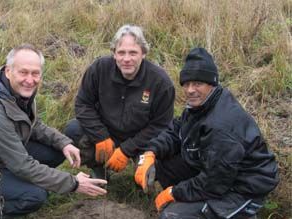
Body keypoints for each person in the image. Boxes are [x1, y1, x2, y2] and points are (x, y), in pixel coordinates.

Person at [0, 44, 107, 218]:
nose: (30, 80)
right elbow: (22, 165)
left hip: (2, 154)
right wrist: (73, 183)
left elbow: (34, 124)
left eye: (35, 73)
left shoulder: (18, 90)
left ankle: (13, 187)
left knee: (57, 151)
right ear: (8, 71)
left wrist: (63, 143)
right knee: (35, 195)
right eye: (23, 72)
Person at [142, 47, 279, 219]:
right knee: (162, 163)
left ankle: (241, 214)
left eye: (197, 83)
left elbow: (214, 182)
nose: (190, 89)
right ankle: (189, 203)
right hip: (215, 172)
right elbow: (176, 131)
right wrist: (150, 152)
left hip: (242, 187)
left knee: (172, 216)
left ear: (211, 84)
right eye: (186, 83)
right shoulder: (200, 105)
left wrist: (174, 192)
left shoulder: (221, 125)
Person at [64, 24, 175, 192]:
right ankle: (99, 169)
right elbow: (83, 104)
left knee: (164, 155)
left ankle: (142, 185)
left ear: (143, 53)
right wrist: (101, 136)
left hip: (141, 139)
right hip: (107, 132)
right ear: (114, 53)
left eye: (133, 53)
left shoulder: (161, 82)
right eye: (121, 52)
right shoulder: (99, 69)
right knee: (74, 129)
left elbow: (161, 125)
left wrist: (126, 150)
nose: (126, 59)